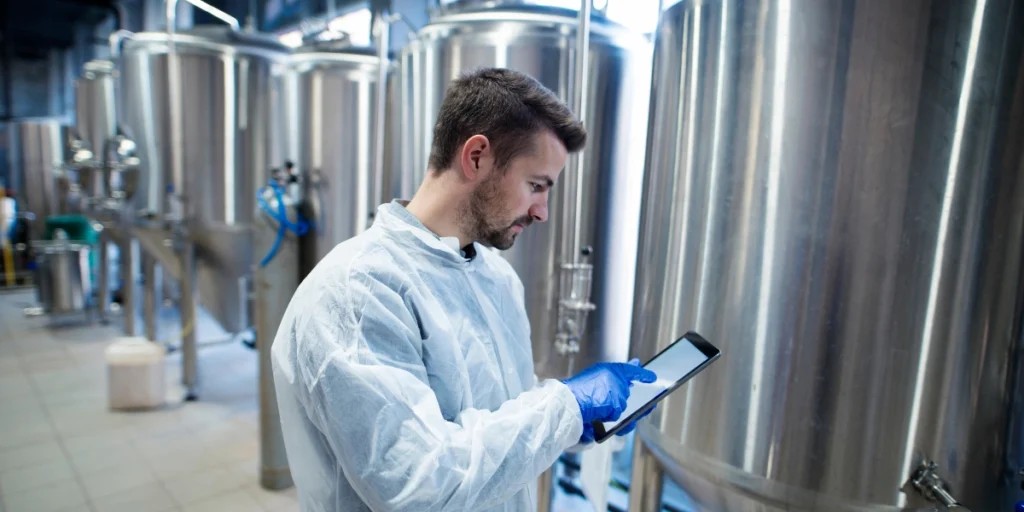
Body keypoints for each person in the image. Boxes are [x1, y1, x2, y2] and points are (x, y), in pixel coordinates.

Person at [271, 67, 657, 512]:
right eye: (536, 186)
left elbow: (499, 406)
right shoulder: (355, 292)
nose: (542, 212)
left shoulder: (493, 275)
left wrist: (577, 423)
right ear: (476, 157)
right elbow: (418, 483)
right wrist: (566, 406)